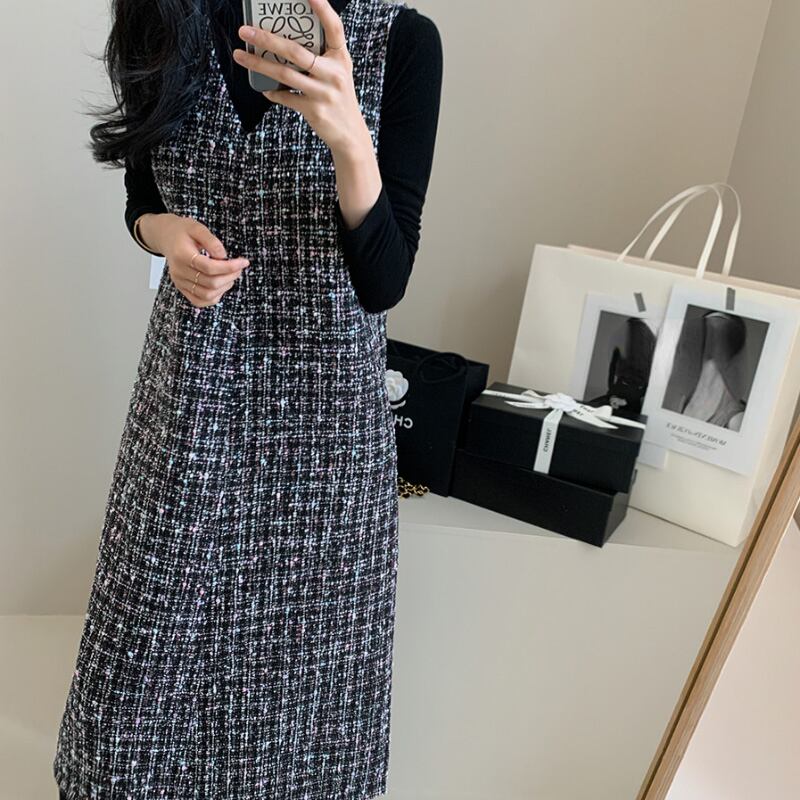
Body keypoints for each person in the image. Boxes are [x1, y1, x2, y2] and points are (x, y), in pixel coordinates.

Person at [52, 0, 443, 797]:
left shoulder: (402, 41)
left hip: (325, 416)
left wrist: (349, 138)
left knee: (306, 677)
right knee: (144, 651)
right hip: (189, 390)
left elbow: (385, 280)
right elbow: (141, 197)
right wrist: (167, 238)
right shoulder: (168, 17)